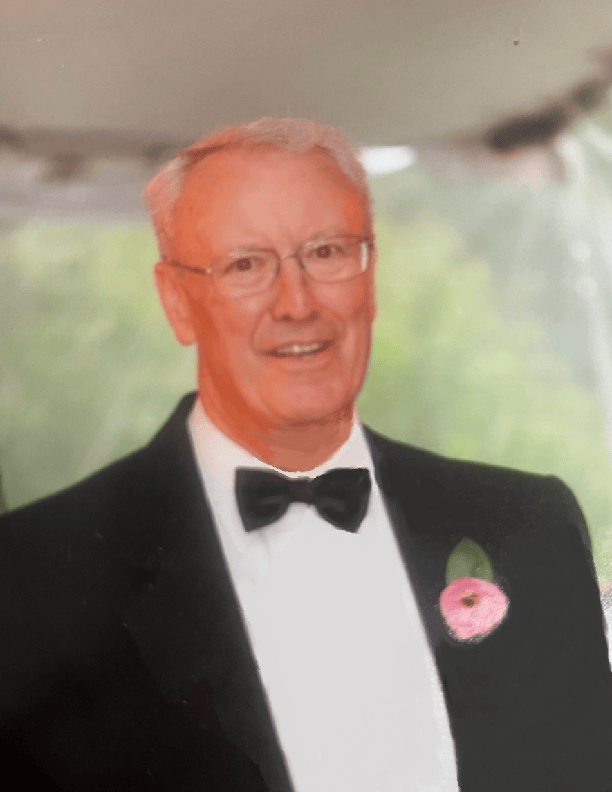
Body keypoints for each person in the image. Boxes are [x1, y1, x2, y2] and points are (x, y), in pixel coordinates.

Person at [1, 117, 612, 792]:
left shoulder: (529, 525)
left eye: (326, 253)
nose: (296, 303)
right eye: (245, 265)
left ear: (370, 277)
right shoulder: (31, 573)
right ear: (178, 301)